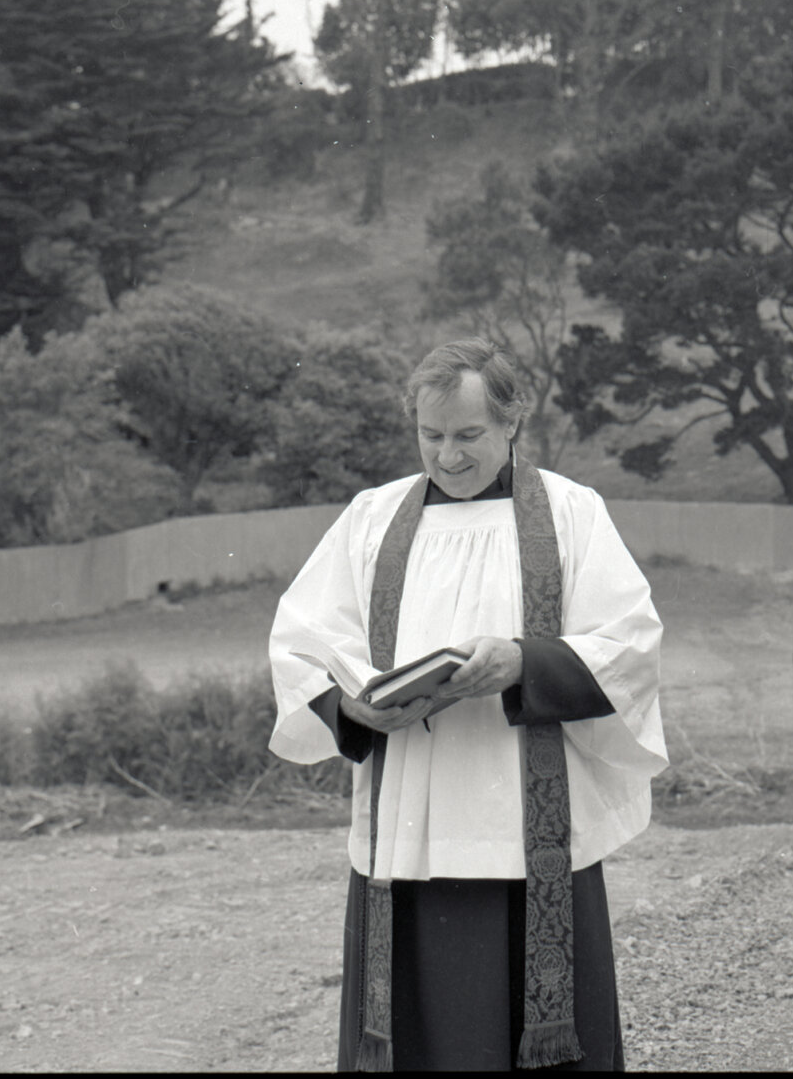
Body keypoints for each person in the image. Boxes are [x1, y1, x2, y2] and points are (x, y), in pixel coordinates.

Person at [268, 338, 667, 1072]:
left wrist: (524, 663)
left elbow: (630, 646)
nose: (447, 457)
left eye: (468, 436)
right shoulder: (372, 518)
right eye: (431, 436)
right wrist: (354, 708)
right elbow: (301, 643)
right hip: (407, 825)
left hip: (531, 829)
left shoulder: (570, 514)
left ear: (512, 423)